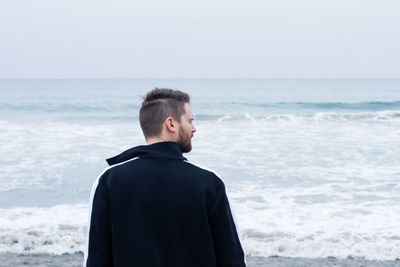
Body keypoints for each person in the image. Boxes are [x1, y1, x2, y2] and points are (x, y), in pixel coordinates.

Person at [84, 88, 246, 267]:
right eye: (190, 121)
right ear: (171, 124)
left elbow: (96, 258)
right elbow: (232, 258)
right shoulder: (208, 182)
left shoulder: (109, 179)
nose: (194, 129)